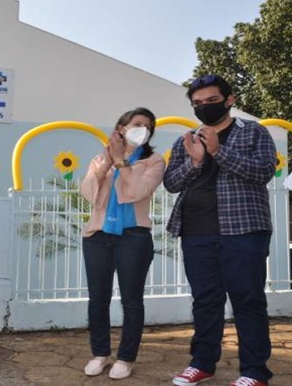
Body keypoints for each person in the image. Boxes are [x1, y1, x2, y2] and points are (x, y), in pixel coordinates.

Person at [166, 75, 276, 386]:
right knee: (205, 299)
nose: (204, 108)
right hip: (196, 231)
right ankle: (202, 363)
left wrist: (218, 152)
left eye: (211, 101)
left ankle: (255, 372)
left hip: (244, 229)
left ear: (230, 100)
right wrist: (196, 161)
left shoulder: (254, 132)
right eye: (197, 104)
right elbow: (172, 183)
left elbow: (263, 172)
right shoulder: (185, 140)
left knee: (247, 298)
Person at [80, 107, 164, 380]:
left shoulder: (154, 161)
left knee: (131, 300)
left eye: (148, 126)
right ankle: (100, 354)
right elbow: (89, 194)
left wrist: (121, 163)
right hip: (98, 236)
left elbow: (138, 192)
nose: (143, 129)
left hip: (134, 237)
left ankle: (126, 358)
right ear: (121, 128)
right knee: (98, 298)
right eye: (137, 123)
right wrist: (107, 162)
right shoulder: (98, 159)